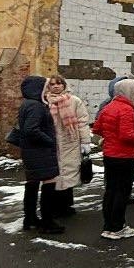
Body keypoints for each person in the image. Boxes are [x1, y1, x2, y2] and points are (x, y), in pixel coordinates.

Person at [93, 78, 134, 239]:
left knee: (110, 191)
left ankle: (108, 226)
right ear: (128, 91)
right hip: (125, 157)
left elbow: (97, 128)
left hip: (110, 155)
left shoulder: (109, 106)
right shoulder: (127, 110)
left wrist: (109, 137)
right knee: (122, 193)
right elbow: (126, 135)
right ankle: (117, 227)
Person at [13, 75, 64, 234]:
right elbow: (30, 129)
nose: (48, 89)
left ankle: (30, 218)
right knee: (49, 183)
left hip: (31, 151)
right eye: (46, 87)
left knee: (33, 183)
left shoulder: (28, 104)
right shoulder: (36, 106)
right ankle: (47, 222)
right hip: (40, 151)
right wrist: (49, 140)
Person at [43, 75, 91, 217]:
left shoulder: (74, 101)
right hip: (52, 144)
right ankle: (54, 207)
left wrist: (85, 142)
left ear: (64, 85)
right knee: (54, 176)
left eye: (59, 83)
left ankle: (67, 206)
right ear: (48, 87)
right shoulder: (46, 102)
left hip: (71, 141)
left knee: (69, 174)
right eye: (52, 84)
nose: (56, 86)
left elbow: (82, 121)